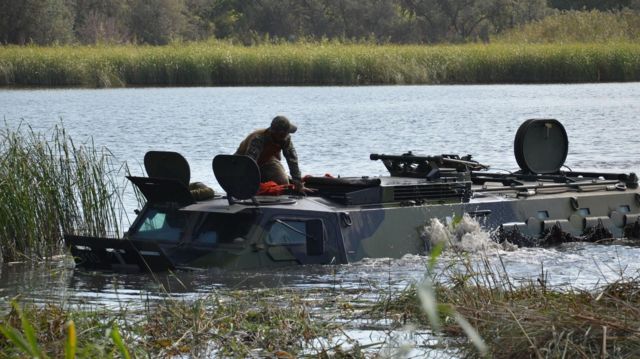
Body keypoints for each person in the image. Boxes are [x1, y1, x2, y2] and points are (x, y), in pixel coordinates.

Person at [235, 115, 313, 194]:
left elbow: (292, 160)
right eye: (285, 133)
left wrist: (298, 185)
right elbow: (250, 163)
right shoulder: (258, 138)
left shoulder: (285, 139)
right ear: (278, 134)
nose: (287, 135)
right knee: (247, 183)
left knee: (283, 182)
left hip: (266, 160)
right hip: (243, 162)